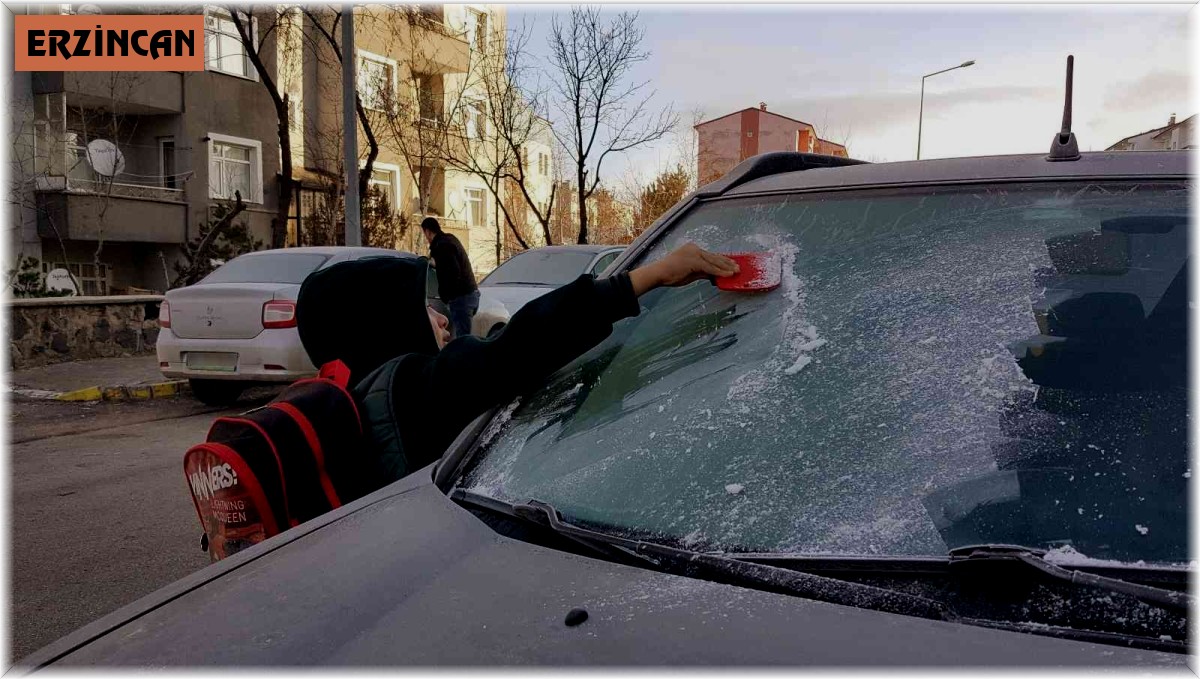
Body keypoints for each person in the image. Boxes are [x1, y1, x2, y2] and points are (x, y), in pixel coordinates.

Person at [295, 243, 738, 494]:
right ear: (380, 326)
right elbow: (526, 344)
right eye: (423, 308)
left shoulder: (341, 407)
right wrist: (652, 275)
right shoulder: (412, 395)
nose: (443, 316)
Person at [420, 216, 478, 339]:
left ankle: (464, 358)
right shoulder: (449, 240)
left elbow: (453, 271)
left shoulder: (442, 246)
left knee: (462, 342)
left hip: (461, 298)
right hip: (469, 294)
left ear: (428, 232)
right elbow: (449, 265)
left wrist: (447, 296)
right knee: (462, 338)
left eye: (425, 234)